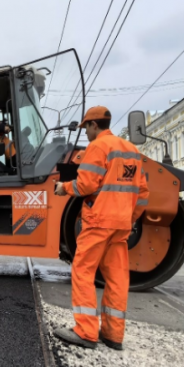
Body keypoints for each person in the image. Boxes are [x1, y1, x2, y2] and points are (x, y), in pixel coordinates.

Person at [52, 106, 149, 351]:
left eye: (86, 127)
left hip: (98, 222)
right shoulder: (133, 151)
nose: (85, 132)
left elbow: (85, 185)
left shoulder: (97, 147)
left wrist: (63, 188)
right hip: (121, 225)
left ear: (95, 125)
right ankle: (113, 335)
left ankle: (85, 331)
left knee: (83, 271)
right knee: (116, 278)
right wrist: (129, 218)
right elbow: (143, 194)